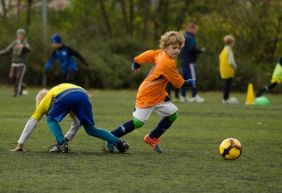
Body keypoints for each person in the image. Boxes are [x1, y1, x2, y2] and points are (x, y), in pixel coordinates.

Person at [104, 31, 196, 153]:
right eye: (174, 47)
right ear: (165, 47)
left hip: (158, 95)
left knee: (172, 114)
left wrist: (137, 61)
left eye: (179, 47)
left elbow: (149, 54)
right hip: (147, 95)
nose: (177, 50)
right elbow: (178, 82)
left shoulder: (161, 54)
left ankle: (152, 137)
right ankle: (112, 138)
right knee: (138, 122)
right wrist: (188, 82)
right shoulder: (167, 63)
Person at [10, 83, 129, 153]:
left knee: (51, 119)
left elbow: (32, 122)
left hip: (66, 95)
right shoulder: (58, 92)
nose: (46, 112)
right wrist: (67, 139)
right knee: (90, 129)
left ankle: (60, 145)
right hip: (83, 94)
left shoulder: (44, 101)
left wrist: (20, 144)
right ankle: (119, 142)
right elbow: (77, 122)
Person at [0, 28, 31, 97]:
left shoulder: (25, 43)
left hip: (22, 64)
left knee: (18, 78)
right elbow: (7, 50)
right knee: (12, 77)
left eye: (22, 35)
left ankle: (16, 93)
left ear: (24, 36)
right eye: (19, 34)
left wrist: (23, 47)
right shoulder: (14, 43)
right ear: (17, 35)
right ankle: (22, 86)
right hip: (14, 63)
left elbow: (29, 49)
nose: (20, 36)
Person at [179, 23, 205, 103]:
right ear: (191, 29)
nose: (195, 31)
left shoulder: (184, 36)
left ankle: (183, 96)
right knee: (192, 78)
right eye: (195, 29)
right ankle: (194, 96)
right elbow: (191, 49)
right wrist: (200, 50)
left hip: (184, 61)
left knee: (184, 79)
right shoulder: (190, 37)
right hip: (189, 62)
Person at [219, 35, 239, 104]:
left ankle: (225, 98)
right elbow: (231, 62)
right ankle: (225, 99)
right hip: (228, 70)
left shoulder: (224, 50)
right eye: (233, 42)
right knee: (228, 85)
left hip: (223, 70)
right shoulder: (229, 51)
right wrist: (235, 66)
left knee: (225, 84)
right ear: (231, 43)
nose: (234, 44)